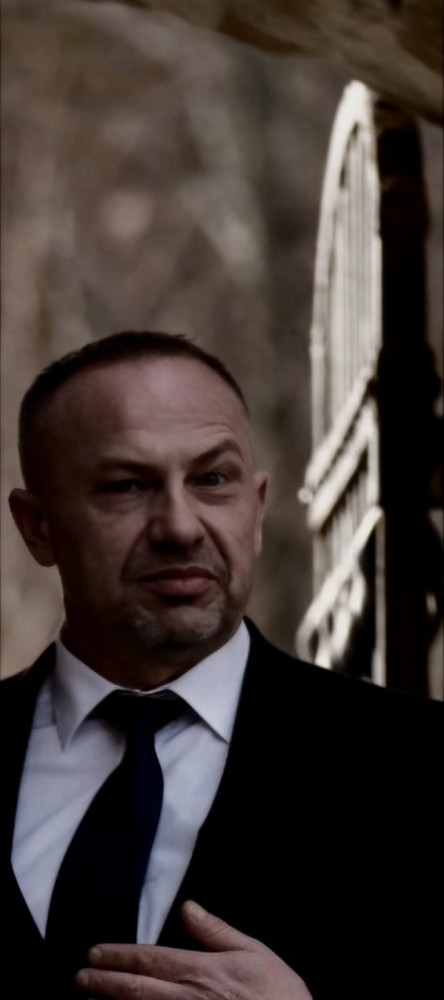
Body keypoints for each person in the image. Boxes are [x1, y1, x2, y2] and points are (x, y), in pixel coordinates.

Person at [2, 330, 441, 1000]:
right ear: (38, 527)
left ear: (257, 508)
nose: (180, 526)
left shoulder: (421, 767)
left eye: (212, 480)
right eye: (126, 486)